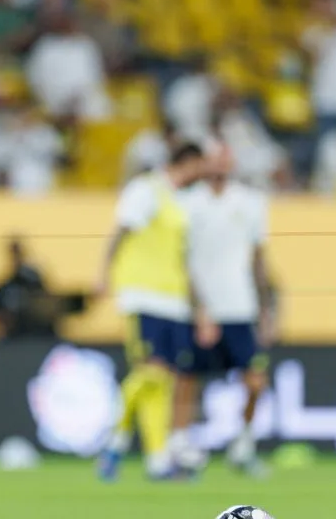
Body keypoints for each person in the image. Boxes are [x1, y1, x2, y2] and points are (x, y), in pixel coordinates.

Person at [95, 143, 213, 481]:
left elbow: (184, 259)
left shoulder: (182, 201)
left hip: (174, 301)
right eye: (200, 166)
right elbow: (120, 232)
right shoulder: (145, 190)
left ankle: (155, 458)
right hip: (143, 295)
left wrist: (199, 308)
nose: (203, 174)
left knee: (162, 382)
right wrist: (103, 273)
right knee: (152, 373)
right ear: (187, 162)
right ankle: (115, 439)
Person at [178, 146, 275, 477]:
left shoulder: (251, 202)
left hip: (239, 307)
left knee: (255, 382)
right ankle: (180, 448)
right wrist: (198, 308)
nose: (219, 165)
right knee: (187, 380)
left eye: (224, 159)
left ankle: (242, 447)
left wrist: (265, 309)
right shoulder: (187, 202)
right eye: (214, 159)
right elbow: (182, 260)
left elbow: (258, 259)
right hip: (199, 309)